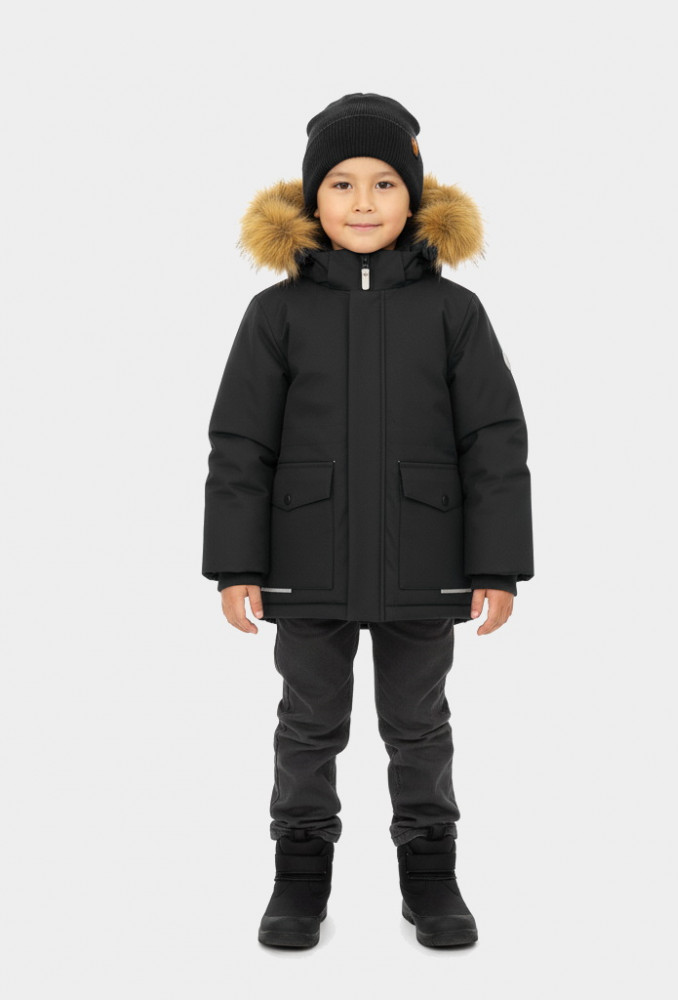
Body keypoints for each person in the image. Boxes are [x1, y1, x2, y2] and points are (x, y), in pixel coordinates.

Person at [202, 93, 534, 949]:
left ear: (413, 198)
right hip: (304, 560)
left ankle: (430, 874)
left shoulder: (454, 312)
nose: (361, 202)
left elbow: (493, 440)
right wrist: (237, 565)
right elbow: (240, 443)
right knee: (307, 725)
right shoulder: (275, 314)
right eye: (341, 184)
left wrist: (494, 567)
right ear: (310, 199)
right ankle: (298, 874)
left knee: (418, 725)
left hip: (422, 559)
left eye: (384, 183)